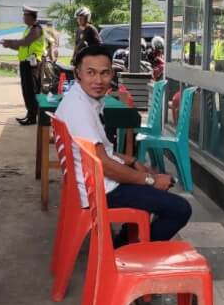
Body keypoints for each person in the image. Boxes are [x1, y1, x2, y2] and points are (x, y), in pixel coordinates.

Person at [56, 44, 192, 243]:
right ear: (78, 74)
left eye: (104, 73)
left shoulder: (81, 99)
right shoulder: (80, 109)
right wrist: (150, 180)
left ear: (112, 73)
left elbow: (100, 151)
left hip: (93, 184)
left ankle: (124, 246)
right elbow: (104, 165)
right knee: (180, 208)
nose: (98, 80)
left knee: (147, 190)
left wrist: (131, 160)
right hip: (101, 191)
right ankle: (132, 255)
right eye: (91, 73)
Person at [0, 6, 44, 125]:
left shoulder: (36, 29)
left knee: (32, 90)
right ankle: (29, 114)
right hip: (26, 63)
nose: (23, 18)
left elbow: (25, 42)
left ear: (31, 17)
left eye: (25, 16)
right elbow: (21, 46)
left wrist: (9, 42)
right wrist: (9, 44)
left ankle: (33, 117)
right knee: (26, 90)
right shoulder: (29, 29)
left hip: (33, 64)